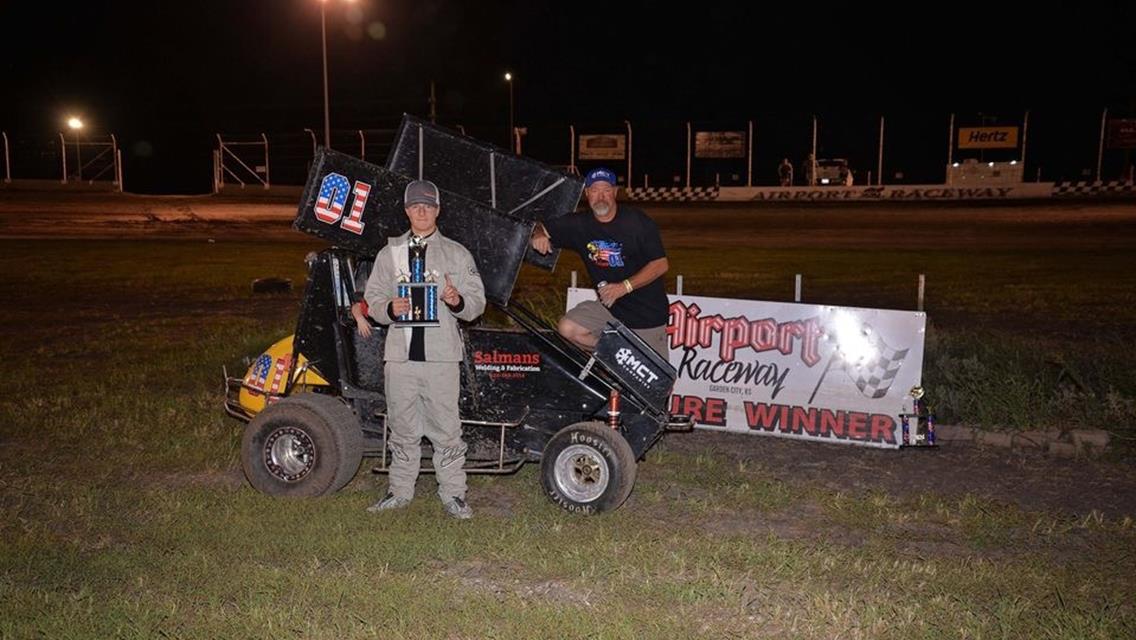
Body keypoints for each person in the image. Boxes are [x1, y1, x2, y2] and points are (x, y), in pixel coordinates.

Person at [363, 179, 486, 519]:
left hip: (440, 358)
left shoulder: (457, 254)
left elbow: (477, 304)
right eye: (415, 206)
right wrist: (389, 308)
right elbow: (371, 299)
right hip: (400, 359)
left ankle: (453, 495)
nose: (422, 211)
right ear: (406, 210)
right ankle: (400, 492)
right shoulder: (390, 254)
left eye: (428, 206)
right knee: (402, 429)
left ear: (438, 210)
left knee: (446, 430)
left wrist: (456, 299)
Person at [531, 167, 669, 356]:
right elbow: (540, 226)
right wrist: (539, 234)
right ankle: (617, 355)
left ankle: (627, 364)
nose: (600, 197)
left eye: (605, 190)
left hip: (646, 315)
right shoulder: (579, 224)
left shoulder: (637, 222)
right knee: (568, 329)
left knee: (658, 384)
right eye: (594, 191)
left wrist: (624, 287)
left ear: (614, 192)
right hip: (610, 310)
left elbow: (661, 264)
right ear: (587, 194)